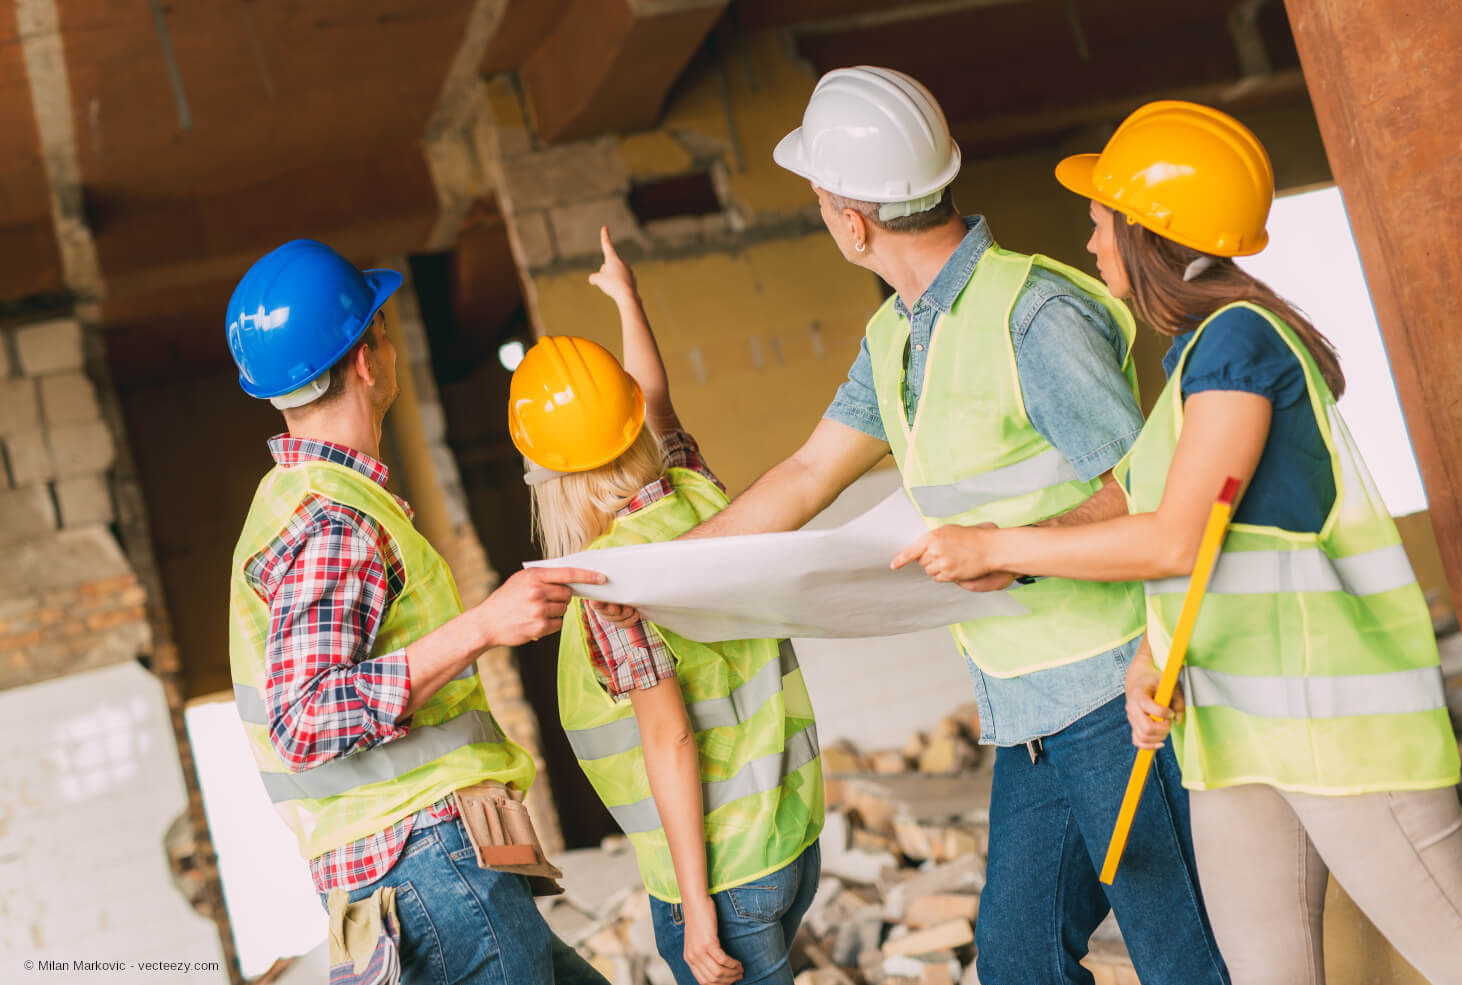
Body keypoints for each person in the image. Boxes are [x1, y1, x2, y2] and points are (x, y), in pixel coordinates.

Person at [601, 68, 1228, 983]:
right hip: (1027, 714)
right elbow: (809, 472)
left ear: (852, 221)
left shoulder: (1033, 314)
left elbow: (1149, 489)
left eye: (820, 200)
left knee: (1185, 959)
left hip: (1116, 695)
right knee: (1017, 966)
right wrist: (654, 576)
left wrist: (1008, 556)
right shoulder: (898, 336)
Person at [895, 100, 1462, 985]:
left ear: (1150, 233)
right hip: (1239, 730)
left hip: (1335, 728)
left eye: (1101, 225)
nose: (1093, 245)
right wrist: (1149, 653)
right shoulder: (1191, 360)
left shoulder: (1239, 347)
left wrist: (996, 546)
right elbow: (1223, 541)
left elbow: (1176, 537)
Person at [225, 239, 609, 985]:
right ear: (368, 359)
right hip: (427, 865)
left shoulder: (303, 504)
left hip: (414, 870)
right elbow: (305, 718)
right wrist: (485, 627)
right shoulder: (333, 523)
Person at [512, 228, 823, 985]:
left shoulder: (611, 584)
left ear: (553, 483)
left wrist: (695, 905)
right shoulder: (694, 493)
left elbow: (670, 736)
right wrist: (627, 298)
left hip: (721, 874)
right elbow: (657, 404)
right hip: (792, 836)